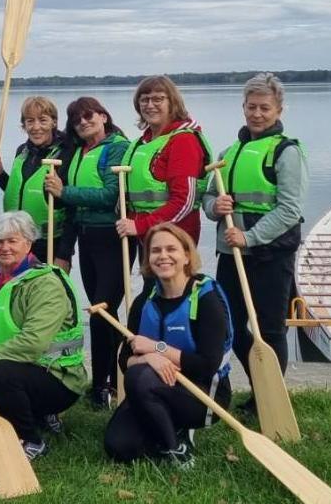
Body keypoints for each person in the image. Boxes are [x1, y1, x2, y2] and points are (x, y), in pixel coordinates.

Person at [203, 72, 307, 416]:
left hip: (270, 254)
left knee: (270, 327)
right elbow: (207, 199)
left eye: (265, 107)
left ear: (279, 109)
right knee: (228, 323)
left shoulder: (286, 151)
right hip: (231, 254)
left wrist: (250, 236)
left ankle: (269, 398)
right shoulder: (227, 153)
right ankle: (253, 386)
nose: (257, 114)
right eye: (251, 107)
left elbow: (290, 209)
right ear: (243, 107)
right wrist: (216, 207)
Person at [0, 211, 89, 460]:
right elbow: (7, 329)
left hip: (58, 378)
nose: (4, 247)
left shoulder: (45, 284)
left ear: (28, 243)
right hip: (21, 371)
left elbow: (34, 341)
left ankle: (33, 441)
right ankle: (37, 415)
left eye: (12, 241)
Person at [104, 223, 232, 468]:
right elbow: (124, 360)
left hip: (201, 394)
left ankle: (177, 448)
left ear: (186, 256)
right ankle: (163, 426)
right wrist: (147, 359)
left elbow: (206, 365)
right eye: (155, 251)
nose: (163, 256)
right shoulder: (143, 303)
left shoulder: (206, 300)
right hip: (151, 387)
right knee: (119, 447)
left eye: (171, 249)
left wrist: (156, 348)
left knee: (139, 376)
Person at [43, 96, 130, 409]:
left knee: (102, 312)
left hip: (112, 238)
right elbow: (68, 206)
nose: (83, 122)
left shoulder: (117, 147)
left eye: (89, 115)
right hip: (87, 237)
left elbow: (110, 194)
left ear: (103, 116)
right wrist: (65, 250)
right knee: (101, 312)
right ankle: (112, 381)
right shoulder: (77, 152)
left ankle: (102, 386)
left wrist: (64, 191)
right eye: (76, 119)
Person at [114, 76, 213, 252]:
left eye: (158, 98)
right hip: (146, 237)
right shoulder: (141, 143)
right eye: (144, 100)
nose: (150, 105)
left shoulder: (183, 140)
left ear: (172, 102)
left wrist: (141, 225)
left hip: (174, 238)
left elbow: (184, 202)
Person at [0, 95, 72, 270]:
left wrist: (64, 254)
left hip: (50, 243)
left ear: (54, 122)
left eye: (43, 120)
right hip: (17, 242)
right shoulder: (22, 151)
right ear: (24, 125)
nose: (36, 127)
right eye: (30, 121)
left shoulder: (66, 153)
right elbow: (21, 192)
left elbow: (71, 209)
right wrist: (0, 176)